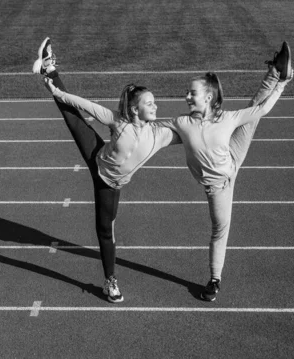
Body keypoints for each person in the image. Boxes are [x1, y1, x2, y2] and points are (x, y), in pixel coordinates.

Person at [32, 37, 181, 303]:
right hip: (98, 164)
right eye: (150, 103)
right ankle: (49, 67)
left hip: (114, 183)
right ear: (135, 109)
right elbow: (85, 106)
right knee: (73, 119)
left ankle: (49, 69)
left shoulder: (159, 134)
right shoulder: (119, 122)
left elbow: (187, 131)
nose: (156, 106)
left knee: (107, 229)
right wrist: (57, 92)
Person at [158, 42, 294, 301]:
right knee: (219, 227)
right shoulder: (182, 123)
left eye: (192, 93)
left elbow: (262, 109)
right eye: (187, 93)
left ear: (208, 97)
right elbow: (152, 131)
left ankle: (214, 279)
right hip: (217, 184)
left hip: (230, 165)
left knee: (220, 230)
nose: (186, 96)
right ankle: (277, 72)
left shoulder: (228, 118)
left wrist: (283, 85)